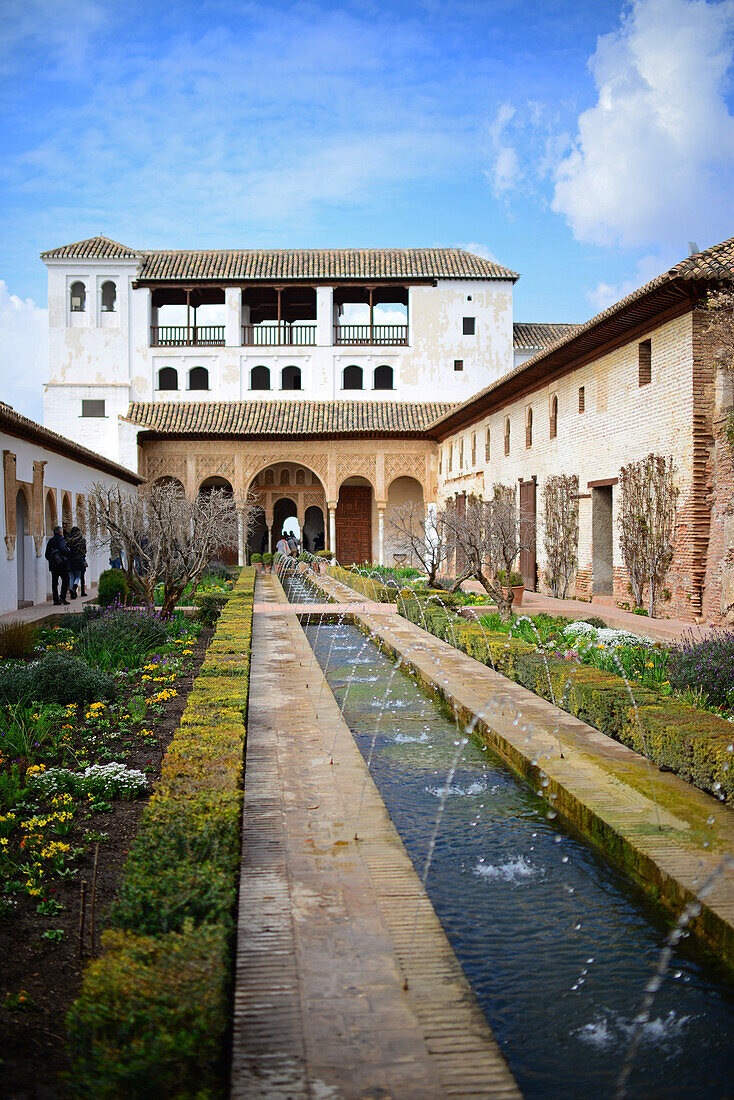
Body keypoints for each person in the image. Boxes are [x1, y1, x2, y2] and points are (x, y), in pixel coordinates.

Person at [45, 525, 70, 606]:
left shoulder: (50, 541)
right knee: (66, 579)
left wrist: (52, 561)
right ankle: (63, 598)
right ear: (60, 532)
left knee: (54, 582)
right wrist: (68, 551)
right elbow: (63, 549)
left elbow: (46, 554)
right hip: (62, 565)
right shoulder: (61, 540)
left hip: (53, 565)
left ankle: (56, 600)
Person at [67, 525, 87, 599]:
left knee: (71, 576)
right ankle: (74, 588)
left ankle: (72, 590)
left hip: (71, 560)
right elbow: (84, 551)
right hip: (79, 559)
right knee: (78, 576)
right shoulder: (82, 540)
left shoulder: (69, 540)